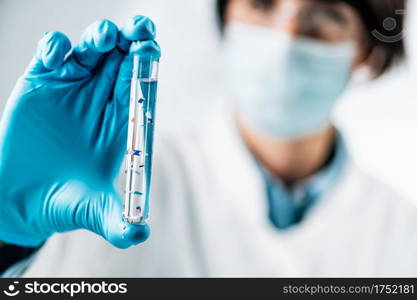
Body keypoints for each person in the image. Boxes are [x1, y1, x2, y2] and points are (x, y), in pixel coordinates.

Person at [1, 0, 416, 277]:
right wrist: (10, 236)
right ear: (227, 20)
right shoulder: (114, 186)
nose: (287, 36)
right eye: (261, 3)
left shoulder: (401, 232)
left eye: (326, 13)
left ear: (365, 48)